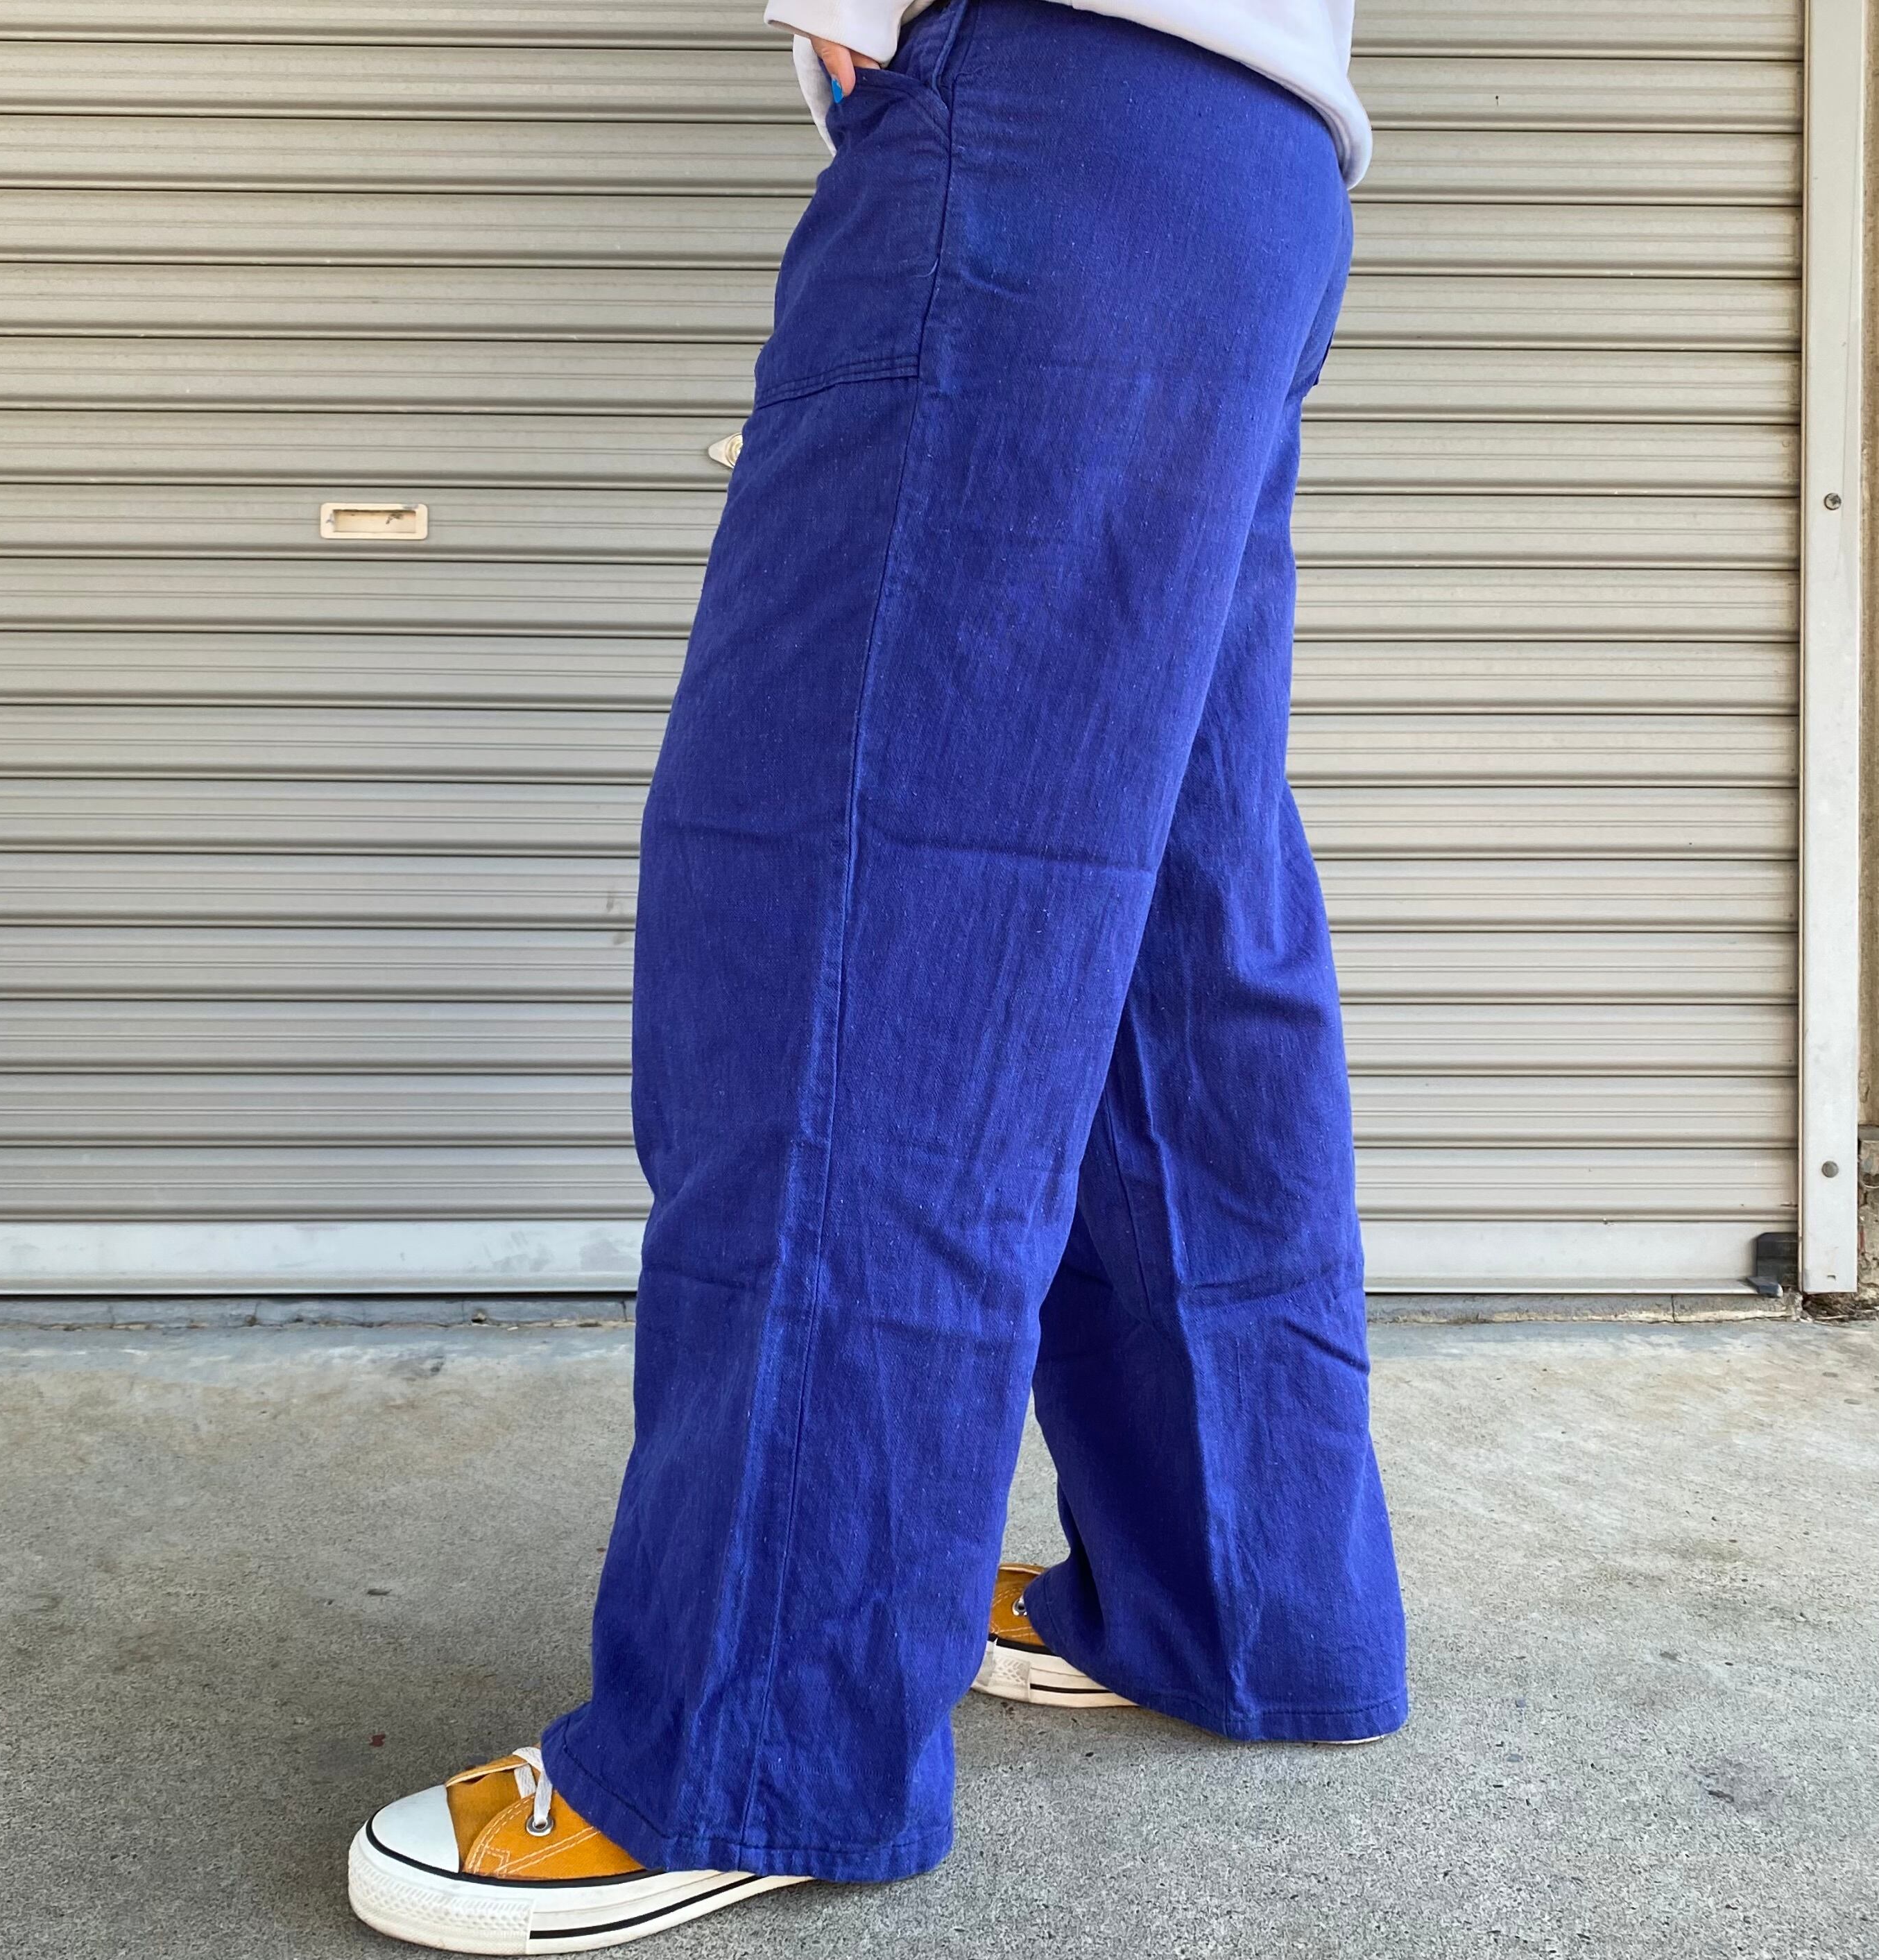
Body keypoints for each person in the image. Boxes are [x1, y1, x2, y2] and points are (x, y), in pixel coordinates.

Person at [348, 0, 1405, 1947]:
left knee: (859, 924)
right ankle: (1235, 1598)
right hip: (1256, 161)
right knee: (1179, 936)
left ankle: (749, 1744)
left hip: (1036, 126)